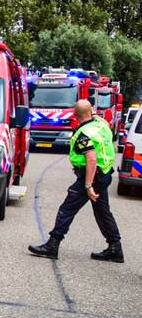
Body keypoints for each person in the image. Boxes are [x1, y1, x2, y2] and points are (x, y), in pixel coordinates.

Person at [29, 100, 123, 262]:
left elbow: (91, 159)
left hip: (92, 176)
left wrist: (88, 185)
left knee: (67, 209)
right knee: (102, 211)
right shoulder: (101, 124)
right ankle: (115, 248)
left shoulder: (83, 134)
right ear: (91, 111)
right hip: (105, 174)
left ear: (74, 115)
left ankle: (52, 245)